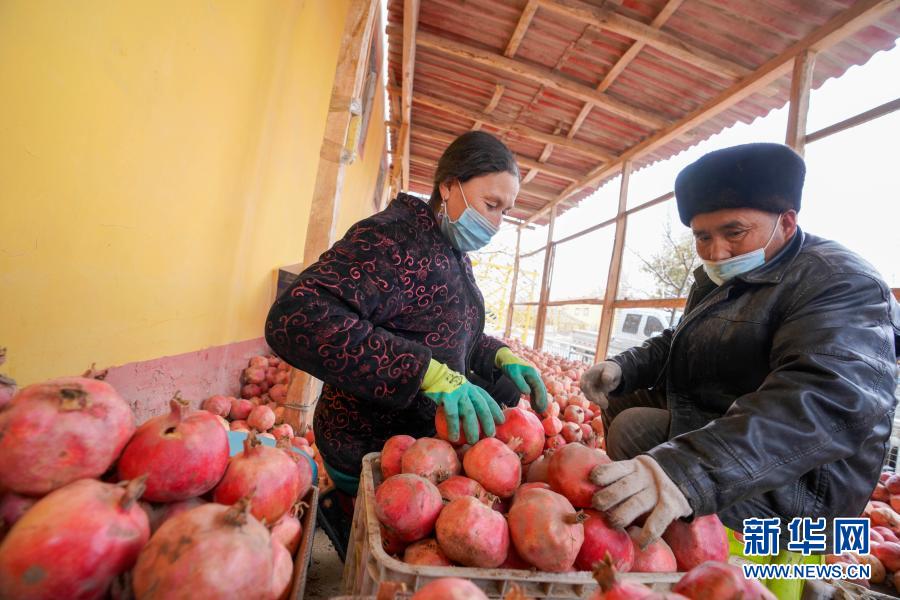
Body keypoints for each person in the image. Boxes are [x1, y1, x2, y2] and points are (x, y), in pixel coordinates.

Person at [581, 143, 900, 558]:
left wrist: (684, 469)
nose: (717, 252)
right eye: (702, 237)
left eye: (734, 232)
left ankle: (702, 553)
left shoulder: (840, 281)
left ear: (786, 222)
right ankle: (662, 536)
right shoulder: (727, 274)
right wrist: (623, 367)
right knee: (624, 396)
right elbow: (683, 340)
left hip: (804, 481)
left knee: (634, 429)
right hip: (738, 424)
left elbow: (824, 401)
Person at [265, 131, 548, 556]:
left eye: (506, 211)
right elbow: (298, 316)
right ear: (448, 185)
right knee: (367, 543)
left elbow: (451, 333)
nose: (496, 222)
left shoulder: (451, 248)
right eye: (491, 205)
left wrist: (500, 355)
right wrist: (421, 372)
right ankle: (339, 513)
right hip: (370, 445)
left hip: (425, 455)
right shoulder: (391, 237)